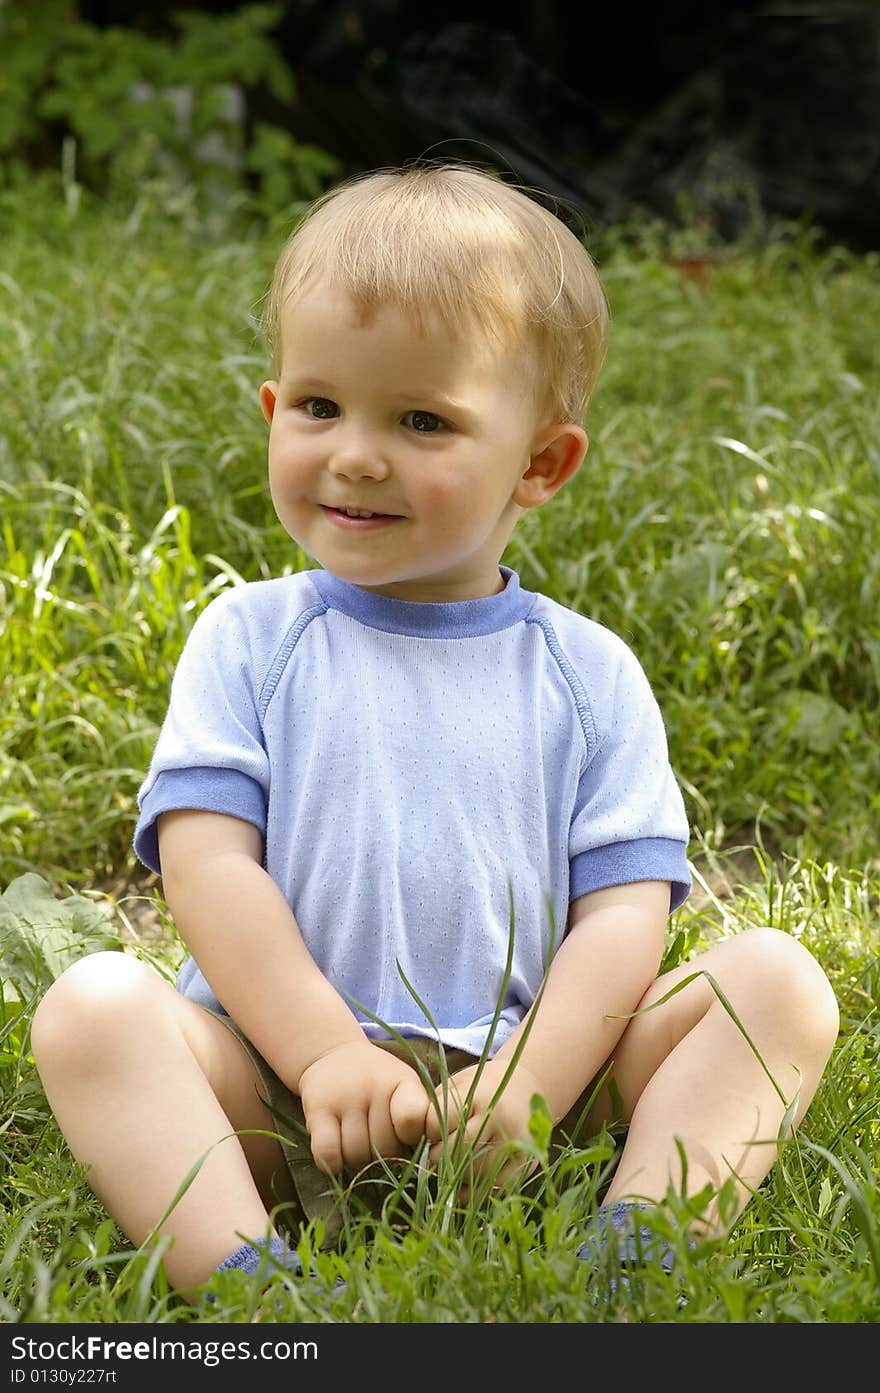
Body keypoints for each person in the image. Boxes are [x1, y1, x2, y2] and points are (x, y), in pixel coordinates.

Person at [31, 162, 840, 1302]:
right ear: (274, 411)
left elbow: (623, 914)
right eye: (320, 406)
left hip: (537, 1081)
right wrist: (320, 1055)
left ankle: (639, 1241)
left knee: (777, 983)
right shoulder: (251, 637)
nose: (356, 453)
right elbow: (206, 867)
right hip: (272, 1084)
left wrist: (534, 1085)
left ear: (541, 464)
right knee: (93, 1009)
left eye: (421, 419)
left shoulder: (586, 673)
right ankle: (248, 1280)